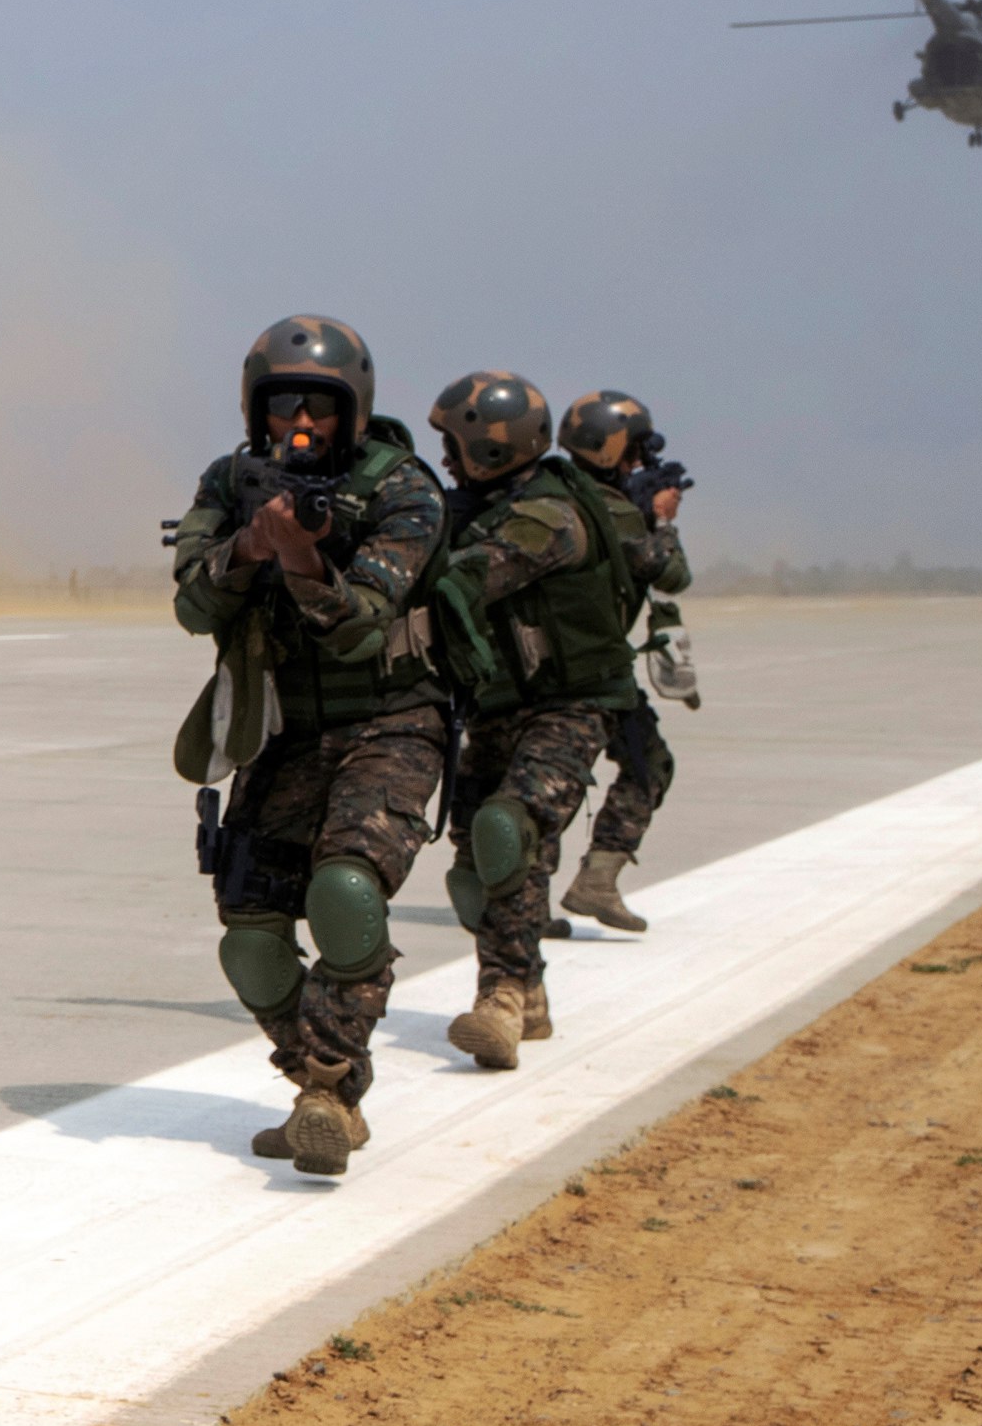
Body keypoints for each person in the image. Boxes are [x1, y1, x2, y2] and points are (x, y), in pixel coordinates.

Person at [170, 316, 450, 1177]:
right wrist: (247, 550)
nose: (302, 420)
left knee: (346, 892)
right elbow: (190, 603)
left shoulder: (404, 489)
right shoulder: (230, 481)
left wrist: (302, 560)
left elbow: (363, 626)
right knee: (250, 938)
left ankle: (326, 1093)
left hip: (392, 716)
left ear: (352, 409)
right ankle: (324, 1086)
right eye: (284, 401)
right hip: (285, 728)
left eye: (318, 405)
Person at [422, 368, 658, 1064]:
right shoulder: (496, 507)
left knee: (507, 831)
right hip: (500, 705)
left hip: (571, 703)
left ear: (491, 451)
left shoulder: (545, 517)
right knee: (478, 862)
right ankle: (527, 993)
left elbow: (461, 581)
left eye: (455, 445)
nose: (445, 460)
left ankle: (500, 998)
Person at [549, 388, 693, 935]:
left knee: (547, 789)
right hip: (588, 677)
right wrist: (662, 521)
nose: (640, 464)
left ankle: (582, 886)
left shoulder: (552, 493)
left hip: (575, 670)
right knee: (557, 789)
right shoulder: (614, 512)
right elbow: (671, 574)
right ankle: (578, 886)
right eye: (634, 454)